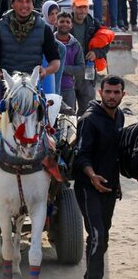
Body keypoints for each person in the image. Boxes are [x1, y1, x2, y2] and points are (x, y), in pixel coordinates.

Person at [73, 75, 126, 279]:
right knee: (96, 236)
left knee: (102, 238)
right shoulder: (88, 120)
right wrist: (93, 176)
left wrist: (118, 184)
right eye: (108, 92)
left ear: (123, 94)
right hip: (88, 187)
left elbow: (116, 156)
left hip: (110, 188)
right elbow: (81, 155)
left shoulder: (119, 116)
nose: (112, 96)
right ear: (100, 92)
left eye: (116, 92)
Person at [0, 0, 61, 80]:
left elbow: (55, 61)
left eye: (28, 1)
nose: (24, 5)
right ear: (12, 4)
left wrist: (46, 70)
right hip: (7, 84)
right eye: (20, 1)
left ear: (33, 4)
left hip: (32, 85)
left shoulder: (44, 29)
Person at [70, 0, 109, 116]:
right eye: (79, 7)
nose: (82, 10)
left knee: (87, 109)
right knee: (68, 110)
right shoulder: (64, 22)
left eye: (85, 7)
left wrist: (96, 53)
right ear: (73, 7)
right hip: (68, 72)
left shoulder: (94, 24)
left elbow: (106, 45)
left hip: (88, 72)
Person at [54, 11, 85, 109]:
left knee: (68, 121)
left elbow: (81, 70)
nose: (65, 24)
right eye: (62, 21)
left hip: (68, 88)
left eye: (67, 22)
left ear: (71, 25)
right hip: (51, 87)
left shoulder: (75, 45)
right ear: (56, 23)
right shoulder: (49, 42)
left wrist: (60, 68)